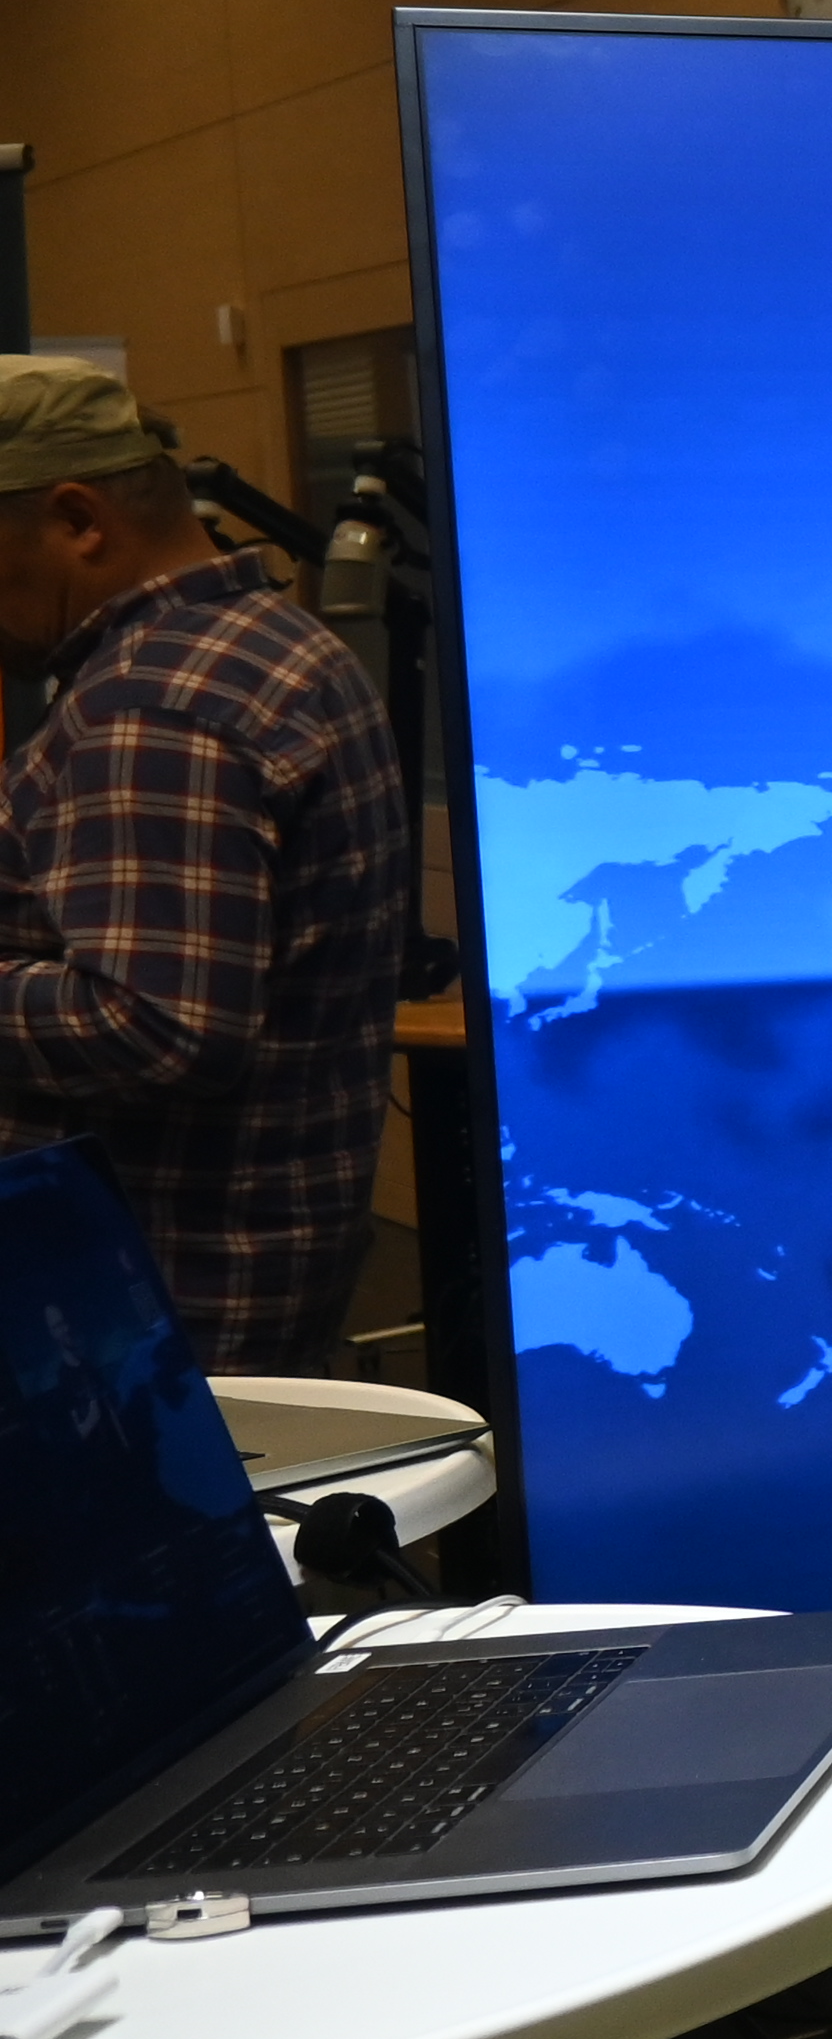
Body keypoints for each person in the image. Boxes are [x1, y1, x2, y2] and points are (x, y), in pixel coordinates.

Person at [0, 360, 409, 1374]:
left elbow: (156, 1025)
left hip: (150, 1306)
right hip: (234, 1272)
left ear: (79, 520)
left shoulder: (157, 702)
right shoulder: (272, 643)